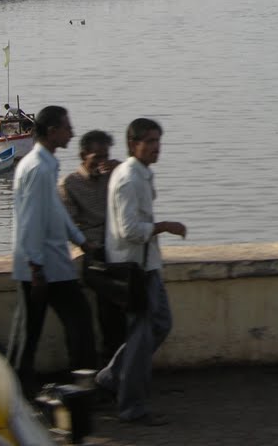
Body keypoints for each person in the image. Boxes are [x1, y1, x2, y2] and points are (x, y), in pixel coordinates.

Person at [96, 118, 187, 427]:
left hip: (148, 264)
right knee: (142, 334)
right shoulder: (128, 178)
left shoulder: (141, 174)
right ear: (133, 144)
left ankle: (111, 377)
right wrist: (165, 227)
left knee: (160, 323)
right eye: (149, 141)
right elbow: (129, 230)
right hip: (134, 267)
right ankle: (131, 406)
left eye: (158, 141)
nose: (156, 147)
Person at [8, 105, 96, 395]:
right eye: (66, 127)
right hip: (44, 266)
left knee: (30, 331)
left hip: (47, 263)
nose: (71, 132)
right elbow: (31, 220)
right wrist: (36, 267)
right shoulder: (38, 168)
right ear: (51, 131)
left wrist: (78, 238)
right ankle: (81, 386)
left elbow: (54, 210)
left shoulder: (45, 165)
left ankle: (19, 390)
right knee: (75, 321)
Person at [58, 129, 125, 363]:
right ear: (83, 155)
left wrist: (122, 169)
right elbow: (69, 226)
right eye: (96, 157)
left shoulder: (113, 177)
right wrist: (90, 245)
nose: (101, 163)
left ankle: (115, 359)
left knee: (117, 313)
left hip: (114, 246)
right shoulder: (69, 184)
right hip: (89, 250)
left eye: (105, 157)